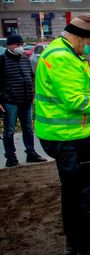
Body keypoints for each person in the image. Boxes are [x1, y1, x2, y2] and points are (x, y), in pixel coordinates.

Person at [34, 15, 90, 255]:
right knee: (81, 192)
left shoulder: (63, 52)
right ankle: (87, 249)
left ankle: (75, 240)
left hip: (65, 135)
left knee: (72, 191)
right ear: (80, 37)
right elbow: (75, 100)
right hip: (68, 138)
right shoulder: (63, 58)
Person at [1, 35, 46, 167]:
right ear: (9, 45)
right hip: (10, 101)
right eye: (17, 45)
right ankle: (10, 156)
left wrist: (32, 91)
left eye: (21, 44)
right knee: (9, 130)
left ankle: (31, 153)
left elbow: (31, 77)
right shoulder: (2, 60)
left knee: (28, 129)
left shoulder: (25, 60)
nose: (20, 47)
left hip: (26, 100)